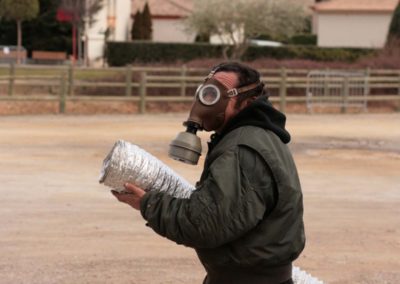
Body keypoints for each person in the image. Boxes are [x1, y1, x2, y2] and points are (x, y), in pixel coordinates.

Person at [112, 62, 305, 284]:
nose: (205, 103)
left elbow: (205, 224)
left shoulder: (241, 150)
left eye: (216, 95)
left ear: (247, 102)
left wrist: (148, 203)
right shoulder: (257, 137)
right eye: (205, 92)